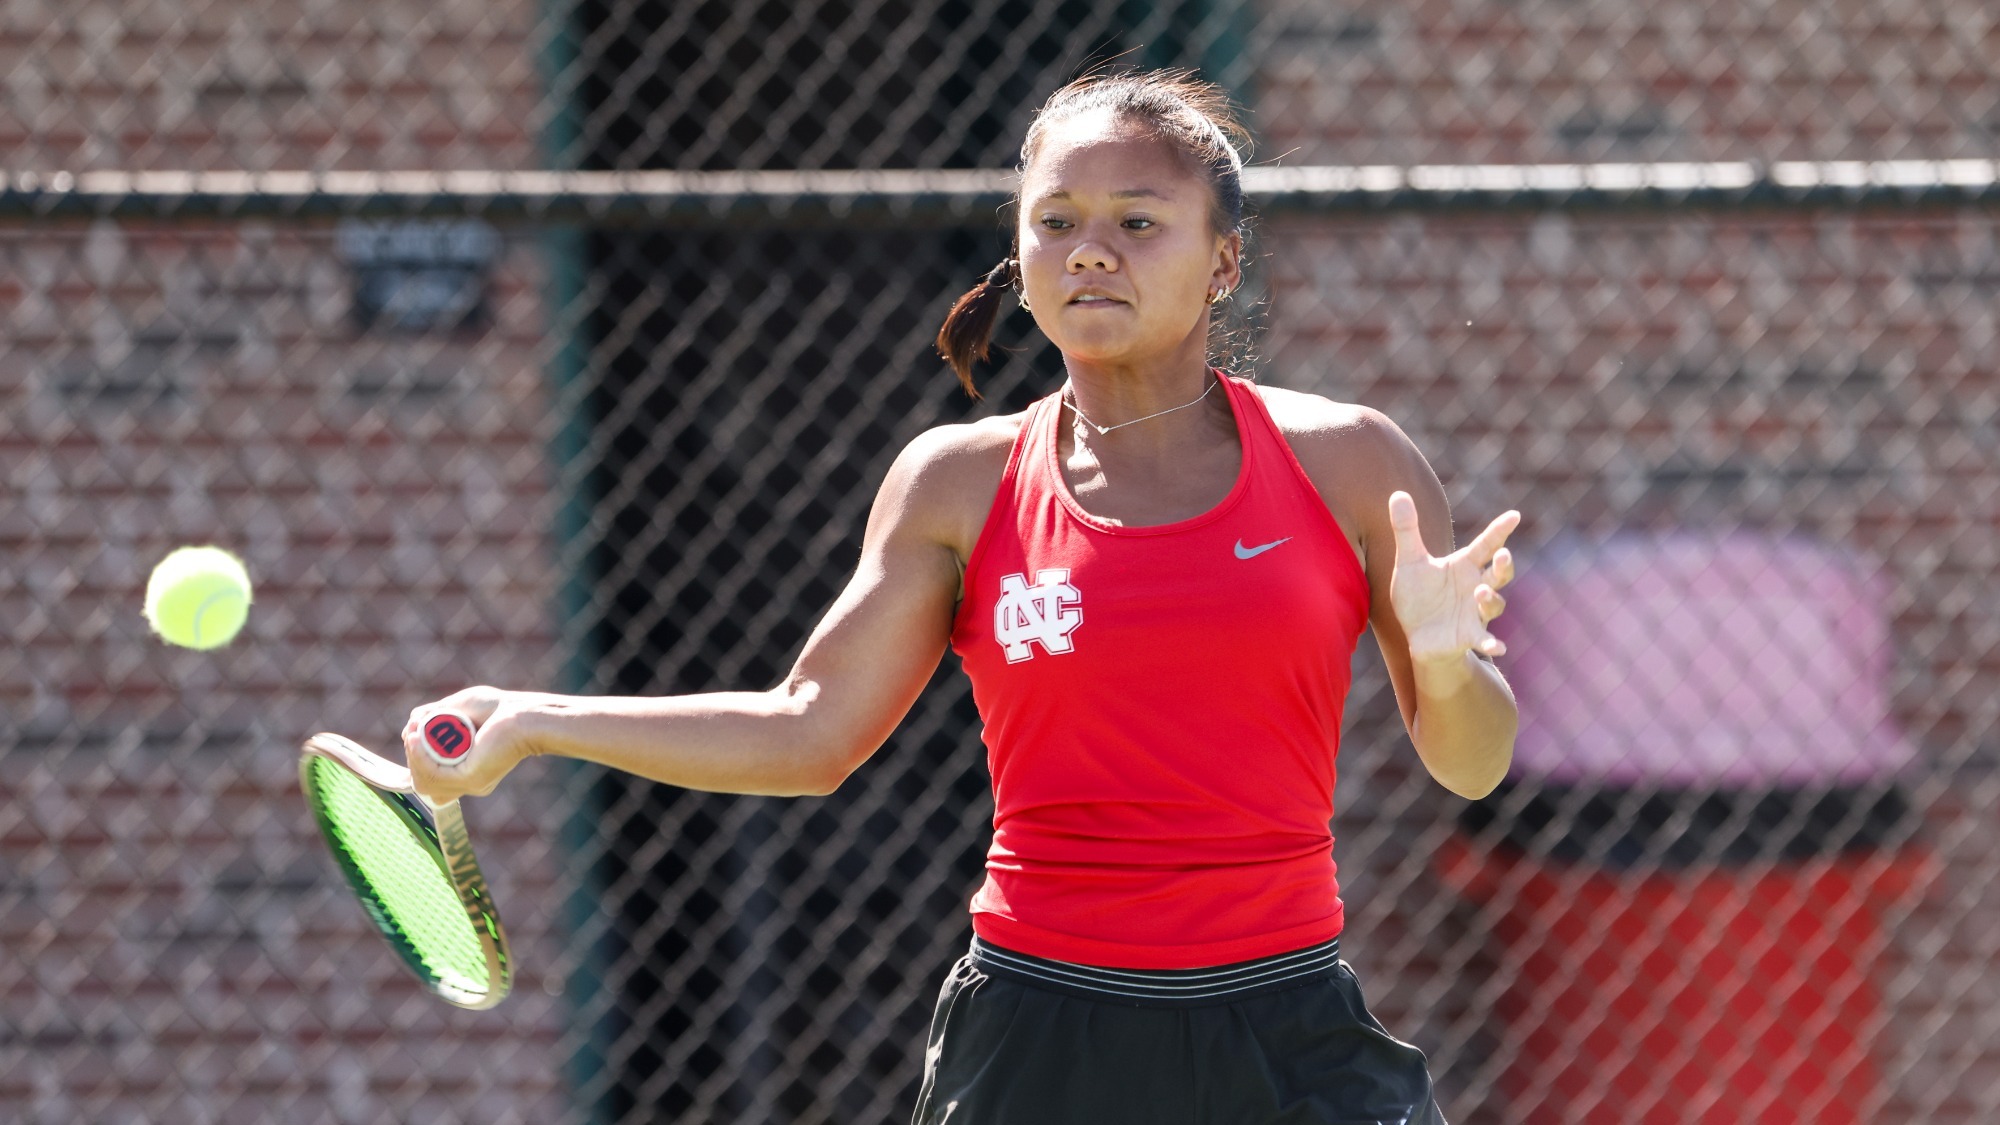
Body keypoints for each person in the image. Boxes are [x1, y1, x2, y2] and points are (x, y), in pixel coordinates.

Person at [405, 68, 1519, 1125]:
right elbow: (808, 730)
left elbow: (1470, 764)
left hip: (1291, 1023)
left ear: (1223, 262)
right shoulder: (957, 482)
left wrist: (1442, 663)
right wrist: (537, 721)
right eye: (1056, 221)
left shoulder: (1354, 464)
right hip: (1040, 1029)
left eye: (1137, 222)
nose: (1090, 250)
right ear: (1020, 257)